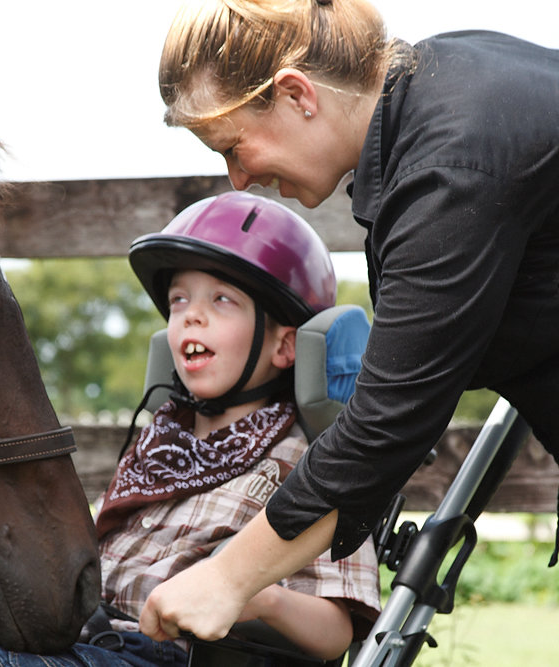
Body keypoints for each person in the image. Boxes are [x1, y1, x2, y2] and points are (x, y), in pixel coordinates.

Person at [140, 0, 559, 646]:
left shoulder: (450, 163)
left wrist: (227, 577)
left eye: (233, 147)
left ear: (297, 94)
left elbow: (384, 426)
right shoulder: (441, 87)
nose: (240, 178)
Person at [0, 191, 381, 666]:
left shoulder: (312, 466)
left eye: (223, 301)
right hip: (85, 636)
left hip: (168, 654)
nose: (191, 315)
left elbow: (336, 631)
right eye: (179, 299)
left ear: (287, 344)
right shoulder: (159, 444)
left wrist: (253, 596)